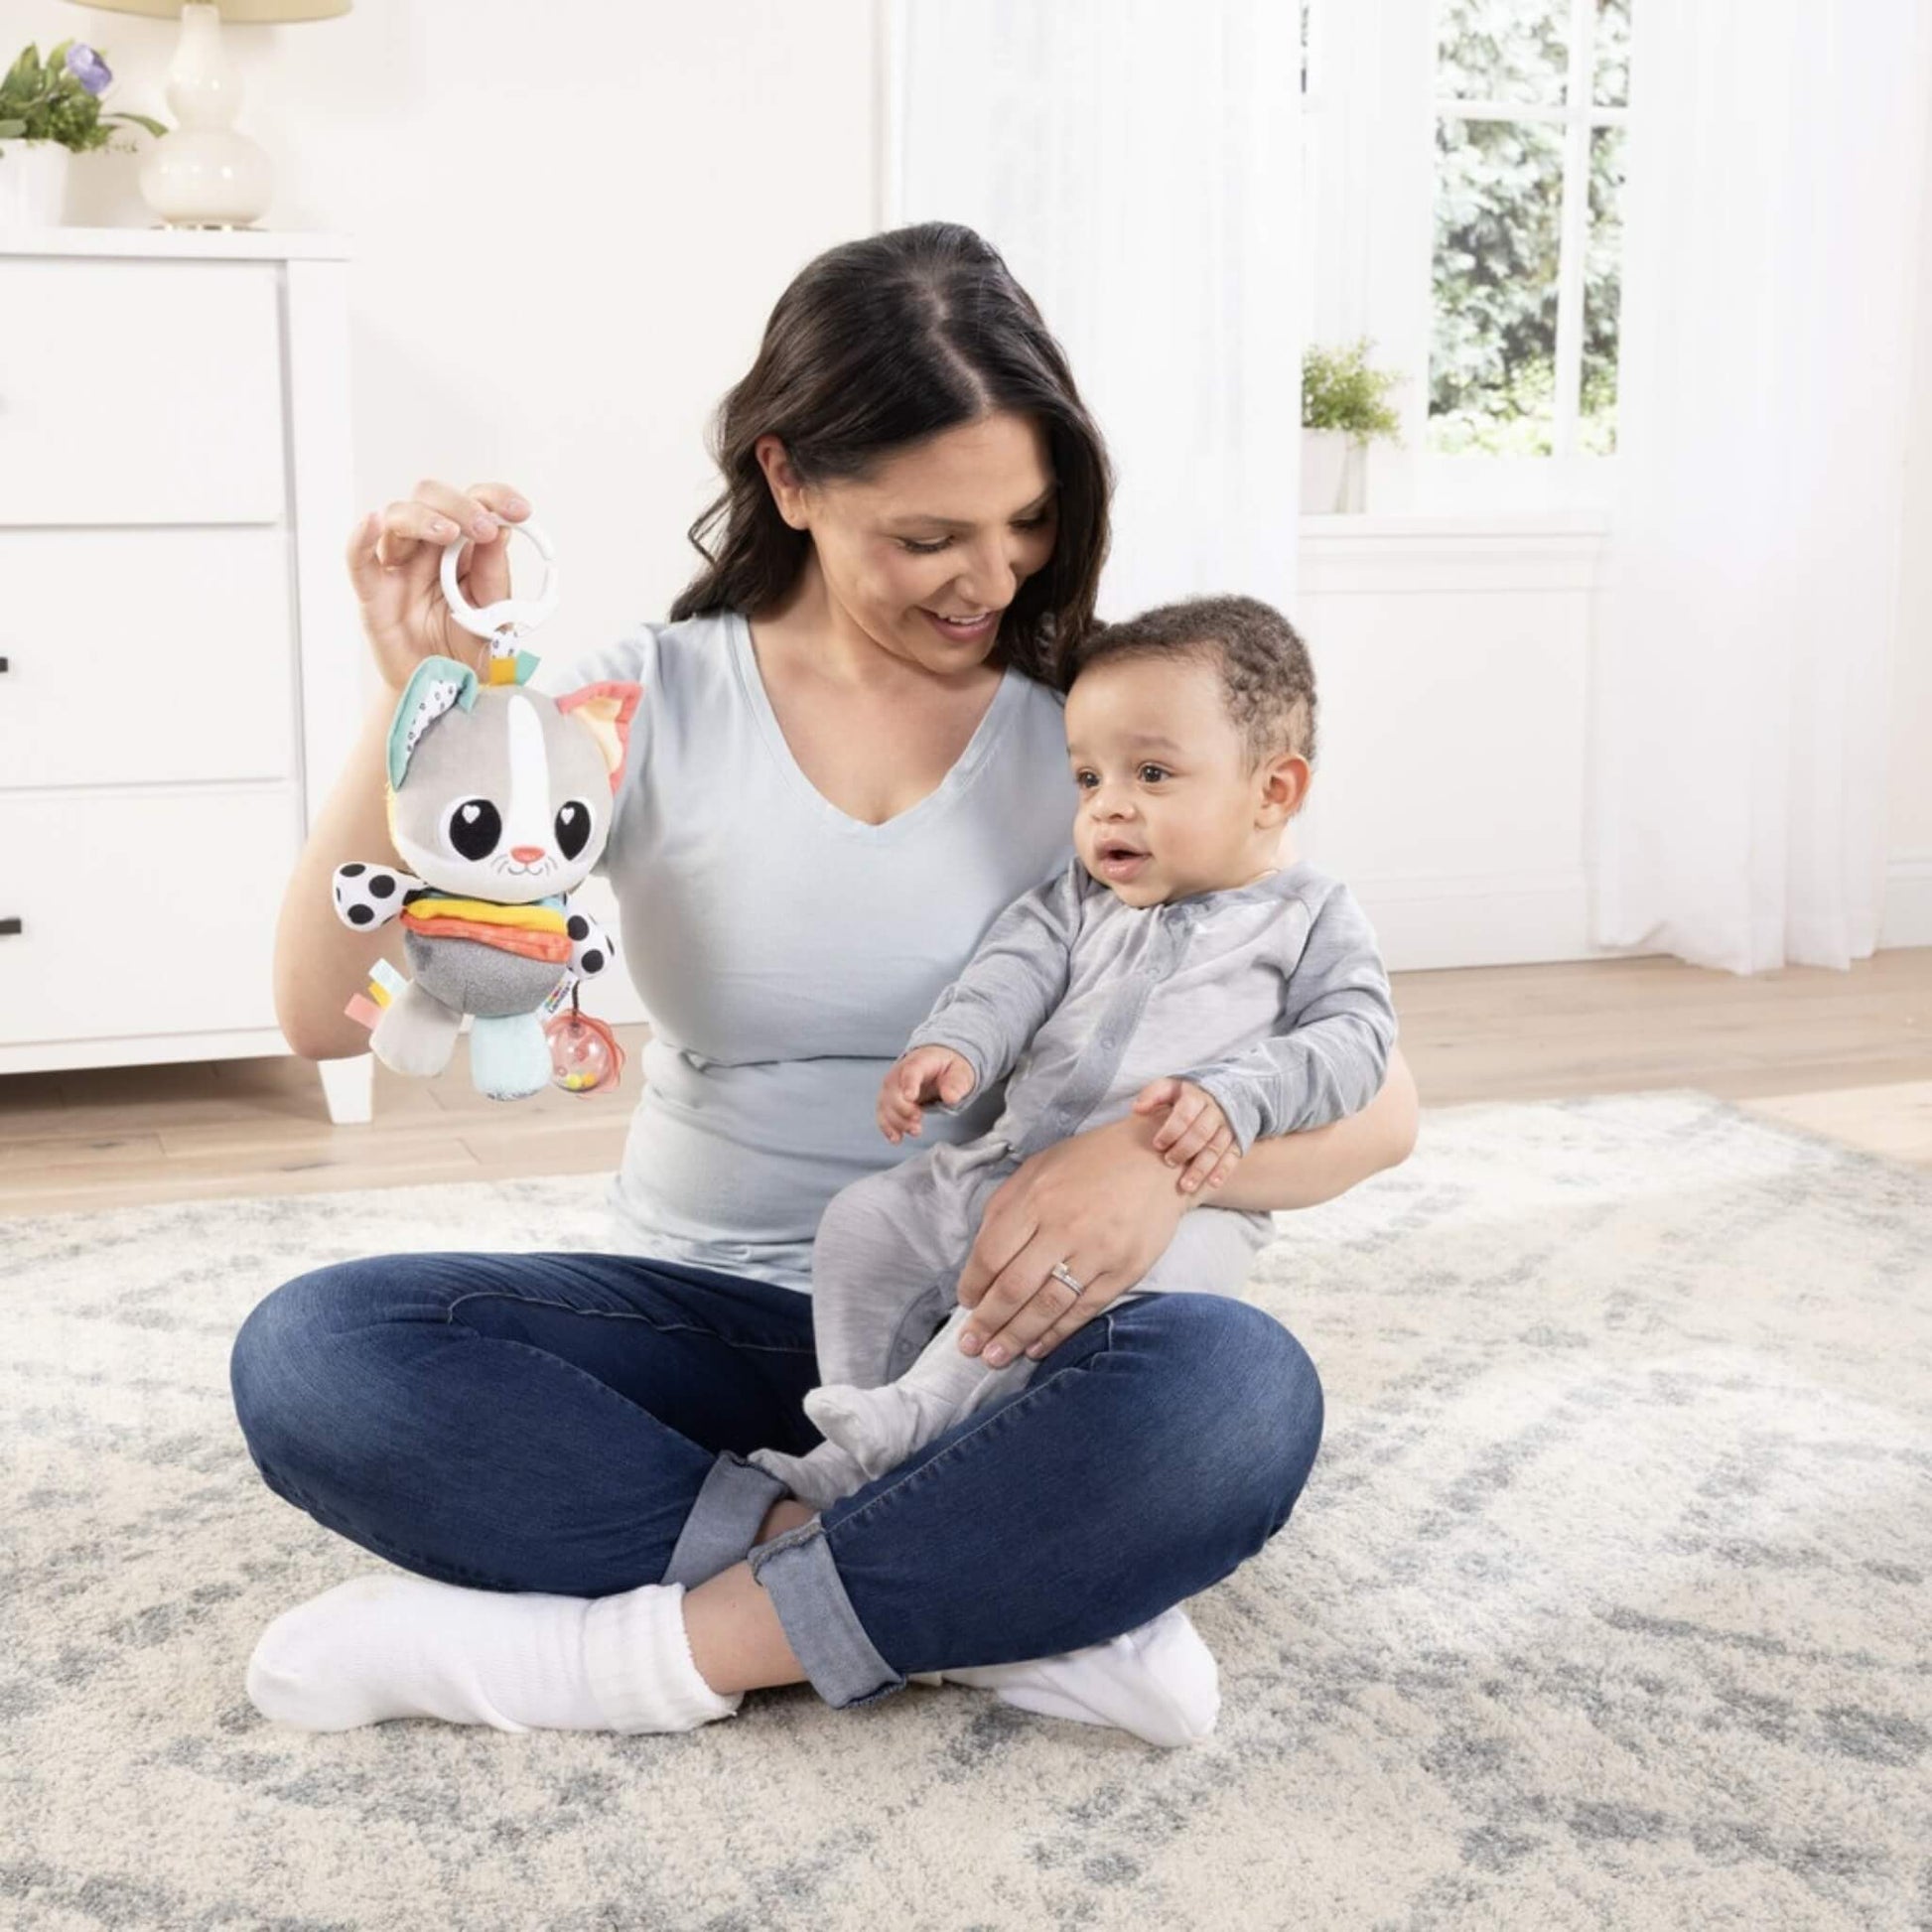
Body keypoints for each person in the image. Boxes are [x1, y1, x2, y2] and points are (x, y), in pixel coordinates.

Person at [229, 221, 1418, 1750]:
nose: (991, 577)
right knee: (319, 1354)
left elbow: (1380, 1110)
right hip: (722, 1319)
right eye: (930, 537)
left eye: (1028, 523)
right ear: (786, 480)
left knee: (1233, 1391)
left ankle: (629, 1651)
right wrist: (423, 702)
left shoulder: (1102, 742)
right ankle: (987, 1604)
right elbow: (313, 1004)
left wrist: (1151, 1168)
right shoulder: (635, 699)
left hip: (1014, 1334)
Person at [747, 595, 1396, 1528]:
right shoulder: (1077, 901)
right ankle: (865, 1428)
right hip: (1007, 1167)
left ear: (1274, 792)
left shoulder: (1311, 918)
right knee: (865, 1223)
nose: (1109, 805)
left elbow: (1357, 1041)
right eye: (1088, 777)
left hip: (1174, 1220)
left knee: (1091, 1331)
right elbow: (1006, 975)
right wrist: (954, 1048)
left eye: (1154, 773)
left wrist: (1236, 1097)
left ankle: (927, 1419)